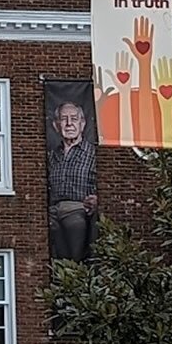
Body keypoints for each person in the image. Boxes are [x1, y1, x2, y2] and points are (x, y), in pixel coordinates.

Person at [47, 100, 97, 261]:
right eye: (64, 119)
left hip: (78, 208)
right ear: (56, 125)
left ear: (82, 124)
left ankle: (75, 275)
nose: (69, 124)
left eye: (74, 119)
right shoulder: (51, 156)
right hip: (52, 209)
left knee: (76, 228)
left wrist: (96, 198)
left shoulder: (93, 153)